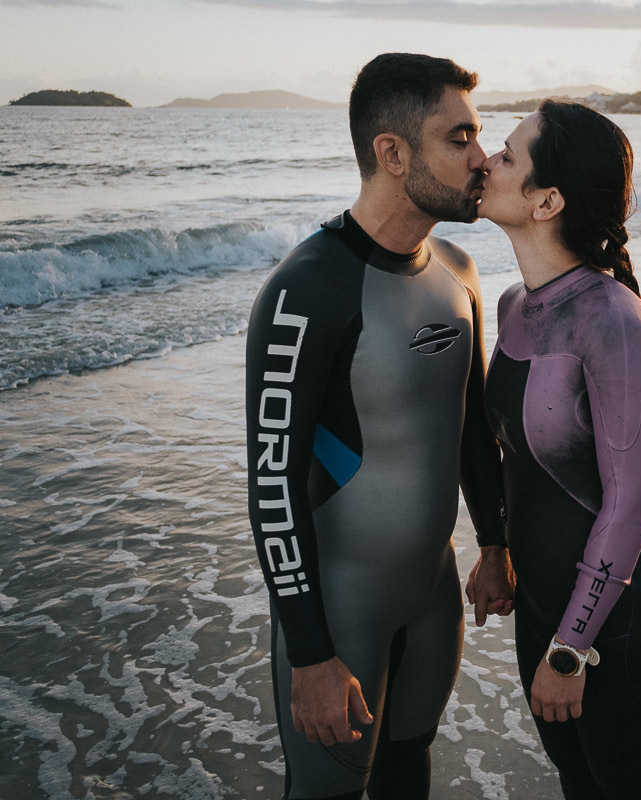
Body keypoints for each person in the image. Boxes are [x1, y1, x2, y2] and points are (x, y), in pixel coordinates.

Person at [245, 53, 513, 800]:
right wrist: (309, 654)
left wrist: (495, 544)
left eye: (480, 136)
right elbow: (271, 486)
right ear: (392, 154)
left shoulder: (458, 270)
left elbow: (470, 429)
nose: (482, 158)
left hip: (431, 596)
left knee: (407, 771)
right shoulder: (309, 288)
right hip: (339, 612)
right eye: (459, 139)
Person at [466, 99, 641, 799]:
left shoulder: (614, 320)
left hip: (614, 614)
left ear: (548, 200)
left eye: (506, 155)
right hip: (544, 603)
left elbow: (629, 503)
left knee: (632, 789)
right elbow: (512, 459)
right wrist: (495, 549)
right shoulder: (512, 306)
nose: (485, 162)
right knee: (580, 784)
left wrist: (572, 645)